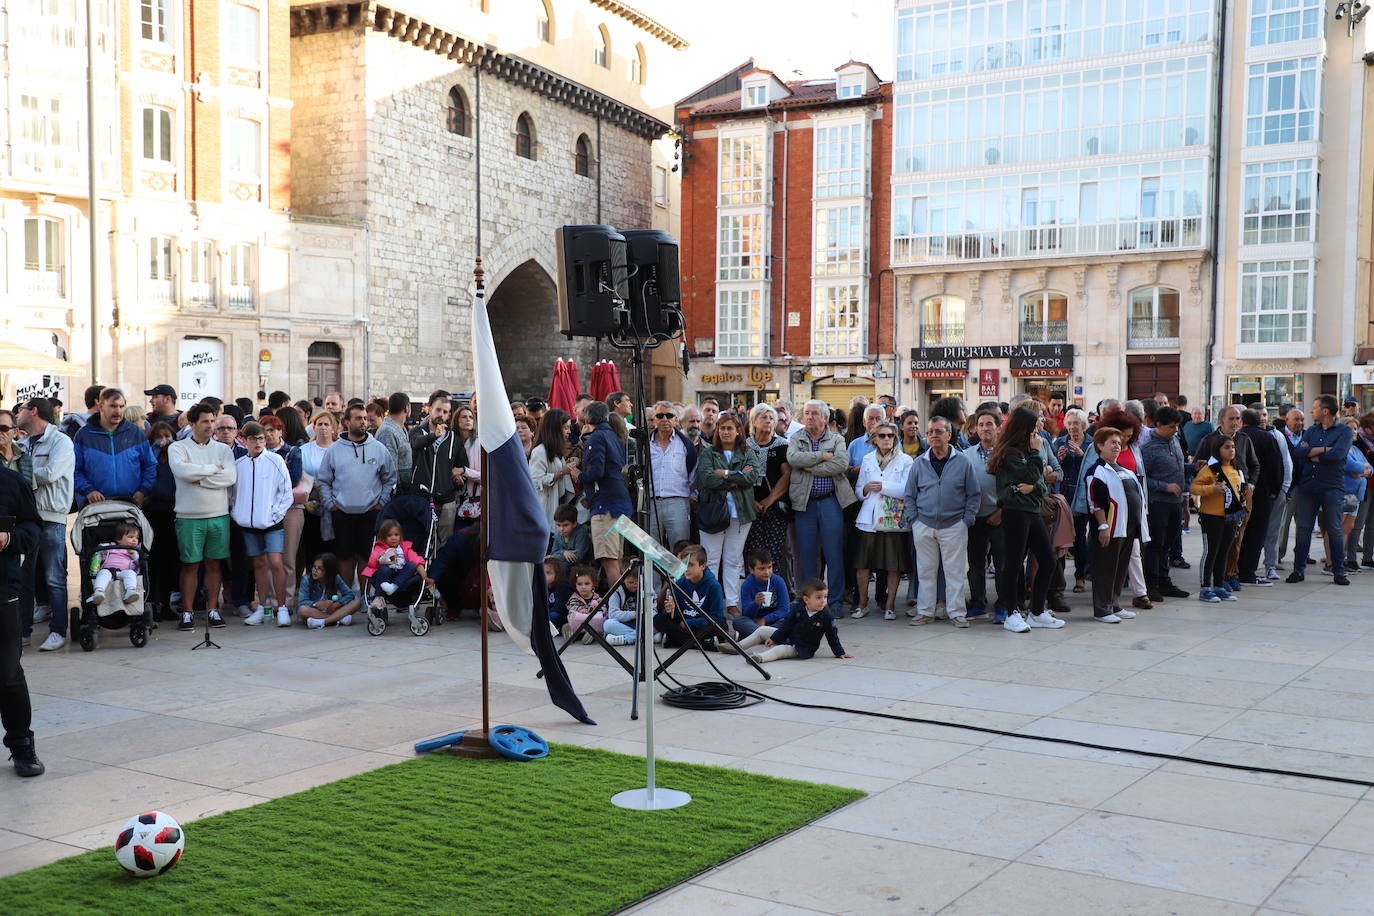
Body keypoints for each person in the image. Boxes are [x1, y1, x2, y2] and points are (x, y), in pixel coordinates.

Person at [987, 406, 1064, 632]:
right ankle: (1011, 613)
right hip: (1015, 512)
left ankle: (1037, 611)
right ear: (1024, 428)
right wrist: (1034, 459)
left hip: (1032, 511)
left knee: (1048, 560)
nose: (1038, 433)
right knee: (1013, 563)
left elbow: (1039, 484)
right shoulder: (1010, 452)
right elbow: (1031, 475)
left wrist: (1032, 485)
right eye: (1034, 427)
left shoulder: (1025, 450)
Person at [905, 416, 982, 627]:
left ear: (949, 435)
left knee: (955, 572)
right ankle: (925, 612)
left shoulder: (963, 461)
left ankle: (957, 613)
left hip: (954, 525)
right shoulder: (920, 462)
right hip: (924, 524)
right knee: (925, 571)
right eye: (930, 432)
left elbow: (973, 494)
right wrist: (915, 520)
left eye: (939, 431)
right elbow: (909, 494)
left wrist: (966, 520)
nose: (934, 435)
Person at [167, 402, 237, 631]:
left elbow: (229, 478)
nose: (210, 425)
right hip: (188, 516)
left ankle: (213, 609)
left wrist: (198, 476)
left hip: (218, 515)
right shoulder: (177, 448)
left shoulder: (223, 450)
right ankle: (187, 612)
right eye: (205, 421)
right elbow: (182, 472)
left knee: (214, 565)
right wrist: (211, 469)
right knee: (190, 565)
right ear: (192, 423)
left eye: (212, 420)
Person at [787, 400, 856, 616]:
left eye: (814, 413)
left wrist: (809, 467)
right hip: (804, 503)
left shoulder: (836, 439)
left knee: (833, 553)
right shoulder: (796, 438)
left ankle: (834, 601)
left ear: (825, 418)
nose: (810, 417)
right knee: (806, 555)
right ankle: (809, 601)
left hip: (830, 502)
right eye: (806, 413)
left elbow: (841, 464)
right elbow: (792, 458)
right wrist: (820, 456)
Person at [15, 398, 73, 652]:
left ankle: (58, 630)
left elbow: (51, 474)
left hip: (51, 516)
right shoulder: (22, 443)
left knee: (54, 577)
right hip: (27, 517)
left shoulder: (61, 441)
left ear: (34, 411)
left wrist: (20, 473)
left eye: (22, 409)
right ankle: (23, 632)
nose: (18, 414)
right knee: (25, 578)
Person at [317, 405, 396, 588]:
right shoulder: (334, 450)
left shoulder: (378, 448)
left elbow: (390, 478)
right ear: (346, 422)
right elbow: (324, 480)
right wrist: (330, 503)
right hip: (342, 512)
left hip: (369, 512)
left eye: (365, 418)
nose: (363, 422)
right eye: (358, 418)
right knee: (344, 556)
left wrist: (382, 501)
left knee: (366, 556)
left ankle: (365, 598)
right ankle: (347, 597)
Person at [0, 463, 43, 775]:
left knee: (7, 673)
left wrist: (7, 540)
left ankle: (22, 747)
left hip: (2, 592)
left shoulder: (11, 482)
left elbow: (32, 529)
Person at [695, 413, 761, 616]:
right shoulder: (708, 453)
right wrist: (736, 478)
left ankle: (732, 603)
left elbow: (752, 476)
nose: (725, 432)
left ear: (738, 431)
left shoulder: (747, 452)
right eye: (721, 428)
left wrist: (724, 474)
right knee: (711, 559)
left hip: (740, 514)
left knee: (733, 559)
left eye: (729, 428)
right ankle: (711, 603)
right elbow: (706, 479)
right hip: (713, 512)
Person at [230, 421, 294, 627]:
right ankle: (263, 608)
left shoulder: (276, 460)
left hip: (271, 522)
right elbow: (232, 494)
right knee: (258, 564)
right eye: (252, 439)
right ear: (244, 441)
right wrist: (237, 512)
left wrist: (276, 514)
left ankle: (282, 608)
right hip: (248, 524)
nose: (257, 442)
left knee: (276, 562)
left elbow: (286, 492)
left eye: (260, 438)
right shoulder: (239, 465)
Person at [1286, 395, 1354, 585]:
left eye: (1314, 407)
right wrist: (1324, 449)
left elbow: (1338, 455)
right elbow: (1298, 452)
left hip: (1331, 487)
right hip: (1308, 486)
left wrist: (1312, 453)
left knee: (1334, 529)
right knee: (1303, 529)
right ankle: (1298, 570)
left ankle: (1339, 571)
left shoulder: (1344, 431)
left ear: (1325, 411)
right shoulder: (1311, 431)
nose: (1311, 411)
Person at [851, 421, 912, 620]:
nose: (887, 439)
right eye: (882, 436)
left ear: (896, 438)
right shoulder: (867, 459)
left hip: (892, 519)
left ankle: (890, 606)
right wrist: (866, 489)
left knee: (893, 564)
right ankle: (862, 604)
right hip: (868, 518)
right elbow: (859, 491)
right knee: (862, 564)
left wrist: (882, 486)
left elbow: (906, 489)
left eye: (890, 436)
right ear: (874, 439)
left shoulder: (905, 460)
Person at [1088, 428, 1148, 622]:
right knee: (1105, 568)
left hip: (1128, 528)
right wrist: (1103, 527)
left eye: (1118, 443)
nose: (1117, 446)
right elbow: (1095, 502)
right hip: (1110, 529)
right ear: (1100, 446)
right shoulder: (1096, 471)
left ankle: (1114, 604)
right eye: (1112, 442)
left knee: (1120, 568)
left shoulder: (1124, 470)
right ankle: (1102, 609)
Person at [729, 578, 851, 664]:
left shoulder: (826, 616)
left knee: (779, 650)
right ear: (806, 599)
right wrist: (775, 638)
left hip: (802, 648)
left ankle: (759, 658)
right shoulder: (798, 608)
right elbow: (787, 625)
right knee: (761, 630)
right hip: (789, 637)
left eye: (825, 597)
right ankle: (738, 646)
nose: (823, 601)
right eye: (818, 597)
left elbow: (832, 636)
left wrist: (840, 652)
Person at [72, 388, 156, 507]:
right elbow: (75, 469)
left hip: (130, 505)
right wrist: (88, 490)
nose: (118, 411)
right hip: (95, 506)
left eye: (121, 406)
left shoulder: (135, 433)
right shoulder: (84, 435)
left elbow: (150, 465)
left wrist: (142, 491)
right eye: (113, 406)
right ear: (101, 406)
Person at [1139, 406, 1190, 600]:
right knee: (1155, 545)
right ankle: (1151, 585)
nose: (1175, 430)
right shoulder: (1148, 448)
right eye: (1171, 427)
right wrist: (1165, 486)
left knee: (1167, 544)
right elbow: (1141, 477)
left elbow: (1176, 465)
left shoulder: (1174, 441)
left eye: (1177, 426)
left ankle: (1164, 581)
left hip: (1175, 502)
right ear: (1158, 425)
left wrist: (1192, 467)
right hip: (1158, 502)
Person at [580, 401, 632, 585]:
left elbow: (596, 472)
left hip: (605, 506)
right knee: (616, 560)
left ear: (588, 417)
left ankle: (614, 609)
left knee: (609, 561)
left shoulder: (596, 438)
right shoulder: (616, 437)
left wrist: (578, 475)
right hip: (618, 502)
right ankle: (619, 606)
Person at [742, 404, 792, 589]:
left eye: (771, 418)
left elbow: (787, 475)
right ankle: (753, 592)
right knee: (752, 551)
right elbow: (739, 475)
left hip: (775, 506)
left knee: (774, 551)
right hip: (749, 505)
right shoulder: (744, 446)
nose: (768, 421)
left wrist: (769, 500)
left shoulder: (782, 446)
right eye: (763, 417)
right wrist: (751, 500)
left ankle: (776, 594)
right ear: (753, 421)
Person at [1192, 437, 1247, 602]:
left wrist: (1244, 498)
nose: (1231, 450)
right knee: (1211, 551)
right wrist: (1211, 489)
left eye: (1233, 447)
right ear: (1218, 450)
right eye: (1226, 447)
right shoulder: (1210, 469)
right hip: (1211, 516)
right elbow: (1194, 487)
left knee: (1224, 551)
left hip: (1230, 517)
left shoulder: (1236, 469)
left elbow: (1240, 489)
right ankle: (1205, 587)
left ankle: (1219, 585)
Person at [963, 407, 1004, 620]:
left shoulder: (1006, 453)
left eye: (989, 424)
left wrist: (1001, 511)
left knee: (1002, 564)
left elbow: (1013, 486)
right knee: (976, 564)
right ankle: (978, 603)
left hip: (1000, 517)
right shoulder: (966, 455)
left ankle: (1003, 606)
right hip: (975, 518)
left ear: (998, 428)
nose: (985, 428)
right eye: (980, 424)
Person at [1235, 408, 1284, 587]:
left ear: (1243, 422)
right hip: (1262, 492)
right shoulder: (1267, 437)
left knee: (1240, 532)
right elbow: (1276, 466)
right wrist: (1275, 491)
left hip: (1239, 490)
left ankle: (1235, 569)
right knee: (1257, 533)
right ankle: (1248, 572)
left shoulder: (1238, 436)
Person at [408, 395, 464, 545]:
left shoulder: (454, 439)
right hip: (421, 497)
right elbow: (416, 443)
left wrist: (460, 473)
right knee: (420, 543)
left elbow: (461, 464)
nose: (441, 415)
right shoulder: (417, 431)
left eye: (445, 412)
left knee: (443, 545)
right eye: (438, 410)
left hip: (446, 500)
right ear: (430, 409)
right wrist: (434, 436)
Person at [261, 415, 304, 611]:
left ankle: (286, 600)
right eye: (265, 431)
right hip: (264, 510)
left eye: (272, 430)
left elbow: (293, 479)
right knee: (267, 558)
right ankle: (267, 601)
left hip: (289, 510)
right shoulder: (257, 453)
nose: (268, 434)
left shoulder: (293, 451)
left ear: (280, 431)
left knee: (288, 558)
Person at [645, 402, 695, 561]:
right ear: (654, 420)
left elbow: (693, 472)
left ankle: (678, 585)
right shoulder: (645, 444)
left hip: (678, 503)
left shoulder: (685, 444)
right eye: (660, 416)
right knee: (653, 551)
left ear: (676, 420)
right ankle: (655, 586)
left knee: (681, 549)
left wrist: (692, 495)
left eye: (669, 416)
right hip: (651, 503)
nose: (664, 419)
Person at [655, 544, 726, 649]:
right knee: (658, 619)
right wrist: (670, 610)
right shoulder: (680, 583)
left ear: (703, 566)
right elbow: (676, 614)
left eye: (691, 565)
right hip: (684, 625)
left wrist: (689, 623)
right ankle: (700, 643)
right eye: (684, 564)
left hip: (699, 625)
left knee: (721, 624)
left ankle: (677, 640)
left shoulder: (713, 586)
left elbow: (717, 616)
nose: (686, 569)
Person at [1053, 408, 1091, 592]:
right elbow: (1051, 467)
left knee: (1080, 538)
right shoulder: (1059, 442)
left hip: (1082, 494)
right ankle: (1058, 579)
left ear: (1083, 425)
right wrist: (1059, 460)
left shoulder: (1090, 443)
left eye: (1076, 423)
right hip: (1064, 493)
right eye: (1069, 423)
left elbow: (1096, 467)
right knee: (1060, 537)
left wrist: (1082, 456)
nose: (1072, 427)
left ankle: (1080, 577)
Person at [299, 410, 339, 567]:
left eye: (326, 424)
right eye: (319, 424)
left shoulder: (339, 449)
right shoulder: (304, 450)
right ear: (313, 427)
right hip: (311, 507)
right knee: (312, 547)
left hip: (334, 506)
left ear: (333, 428)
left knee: (332, 549)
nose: (323, 428)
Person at [528, 408, 577, 531]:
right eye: (566, 428)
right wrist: (561, 472)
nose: (569, 431)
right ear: (555, 429)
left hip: (557, 506)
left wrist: (571, 463)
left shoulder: (555, 450)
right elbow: (535, 481)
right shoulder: (539, 451)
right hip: (545, 509)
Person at [363, 519, 427, 612]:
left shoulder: (405, 547)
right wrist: (380, 558)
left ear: (401, 536)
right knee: (384, 569)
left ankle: (393, 586)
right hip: (387, 574)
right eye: (389, 535)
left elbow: (415, 559)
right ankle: (379, 597)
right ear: (383, 537)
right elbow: (371, 562)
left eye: (396, 535)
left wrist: (423, 572)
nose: (393, 538)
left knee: (411, 565)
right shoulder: (379, 547)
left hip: (402, 574)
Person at [731, 549, 791, 640]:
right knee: (738, 621)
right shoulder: (747, 585)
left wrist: (766, 619)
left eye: (769, 567)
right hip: (755, 622)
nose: (767, 572)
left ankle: (758, 637)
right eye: (762, 568)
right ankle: (772, 636)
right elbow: (746, 613)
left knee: (789, 621)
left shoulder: (778, 581)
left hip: (774, 620)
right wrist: (755, 603)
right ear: (751, 570)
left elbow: (784, 610)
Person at [296, 553, 359, 627]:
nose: (315, 571)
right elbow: (301, 602)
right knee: (302, 610)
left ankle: (323, 622)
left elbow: (349, 594)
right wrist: (317, 604)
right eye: (314, 567)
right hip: (314, 610)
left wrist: (337, 604)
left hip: (331, 609)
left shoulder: (335, 577)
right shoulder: (306, 579)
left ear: (328, 571)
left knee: (357, 602)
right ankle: (338, 619)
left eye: (319, 568)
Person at [89, 521, 142, 604]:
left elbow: (140, 564)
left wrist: (134, 554)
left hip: (124, 571)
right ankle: (98, 592)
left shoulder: (136, 550)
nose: (134, 540)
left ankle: (130, 591)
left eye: (137, 537)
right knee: (103, 573)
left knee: (131, 574)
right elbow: (100, 550)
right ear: (119, 539)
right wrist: (100, 549)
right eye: (131, 537)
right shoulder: (111, 546)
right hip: (109, 570)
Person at [374, 392, 413, 490]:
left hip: (405, 489)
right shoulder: (387, 431)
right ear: (406, 408)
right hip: (396, 494)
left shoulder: (400, 428)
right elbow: (389, 469)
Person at [563, 566, 605, 643]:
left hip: (593, 623)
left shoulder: (597, 598)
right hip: (578, 624)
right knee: (573, 621)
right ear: (575, 585)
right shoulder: (574, 598)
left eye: (587, 584)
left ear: (593, 584)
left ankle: (590, 635)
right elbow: (570, 607)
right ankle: (570, 634)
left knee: (597, 627)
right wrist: (580, 609)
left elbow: (603, 609)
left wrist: (593, 609)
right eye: (579, 584)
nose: (583, 587)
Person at [602, 567, 642, 646]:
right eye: (631, 582)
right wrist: (635, 614)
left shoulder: (646, 589)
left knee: (656, 624)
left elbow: (653, 611)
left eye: (638, 582)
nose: (635, 585)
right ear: (623, 579)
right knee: (608, 624)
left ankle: (624, 639)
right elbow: (612, 615)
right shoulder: (616, 591)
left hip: (641, 624)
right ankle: (643, 637)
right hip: (623, 624)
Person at [549, 504, 591, 570]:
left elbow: (577, 556)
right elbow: (553, 553)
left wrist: (558, 555)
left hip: (583, 566)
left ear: (574, 524)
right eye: (558, 525)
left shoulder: (581, 533)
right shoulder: (558, 534)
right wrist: (564, 553)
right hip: (564, 563)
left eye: (565, 525)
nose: (561, 529)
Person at [544, 557, 573, 631]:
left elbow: (558, 609)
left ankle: (562, 628)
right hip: (551, 613)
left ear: (557, 574)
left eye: (548, 573)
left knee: (553, 616)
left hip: (564, 615)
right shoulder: (544, 587)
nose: (543, 576)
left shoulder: (563, 588)